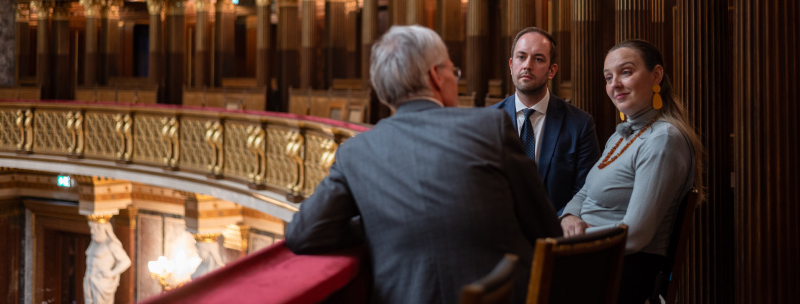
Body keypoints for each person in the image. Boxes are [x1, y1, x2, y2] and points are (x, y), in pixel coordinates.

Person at [285, 25, 561, 304]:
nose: (456, 79)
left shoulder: (355, 151)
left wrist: (379, 218)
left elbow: (304, 233)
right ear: (435, 76)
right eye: (454, 72)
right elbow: (546, 228)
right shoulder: (490, 127)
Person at [560, 39, 703, 304]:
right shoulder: (621, 135)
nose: (614, 84)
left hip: (619, 271)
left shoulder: (663, 139)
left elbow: (635, 235)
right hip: (589, 258)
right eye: (608, 77)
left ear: (656, 75)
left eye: (625, 72)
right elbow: (584, 192)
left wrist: (568, 241)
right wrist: (569, 217)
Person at [492, 27, 600, 214]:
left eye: (538, 59)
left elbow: (586, 189)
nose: (527, 65)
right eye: (521, 57)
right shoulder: (488, 120)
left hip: (556, 232)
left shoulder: (580, 124)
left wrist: (563, 221)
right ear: (511, 65)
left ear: (552, 70)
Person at [83, 219, 132, 304]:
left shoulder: (111, 244)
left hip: (101, 283)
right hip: (89, 280)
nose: (91, 231)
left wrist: (112, 273)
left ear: (102, 229)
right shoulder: (94, 242)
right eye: (91, 228)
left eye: (94, 229)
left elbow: (126, 261)